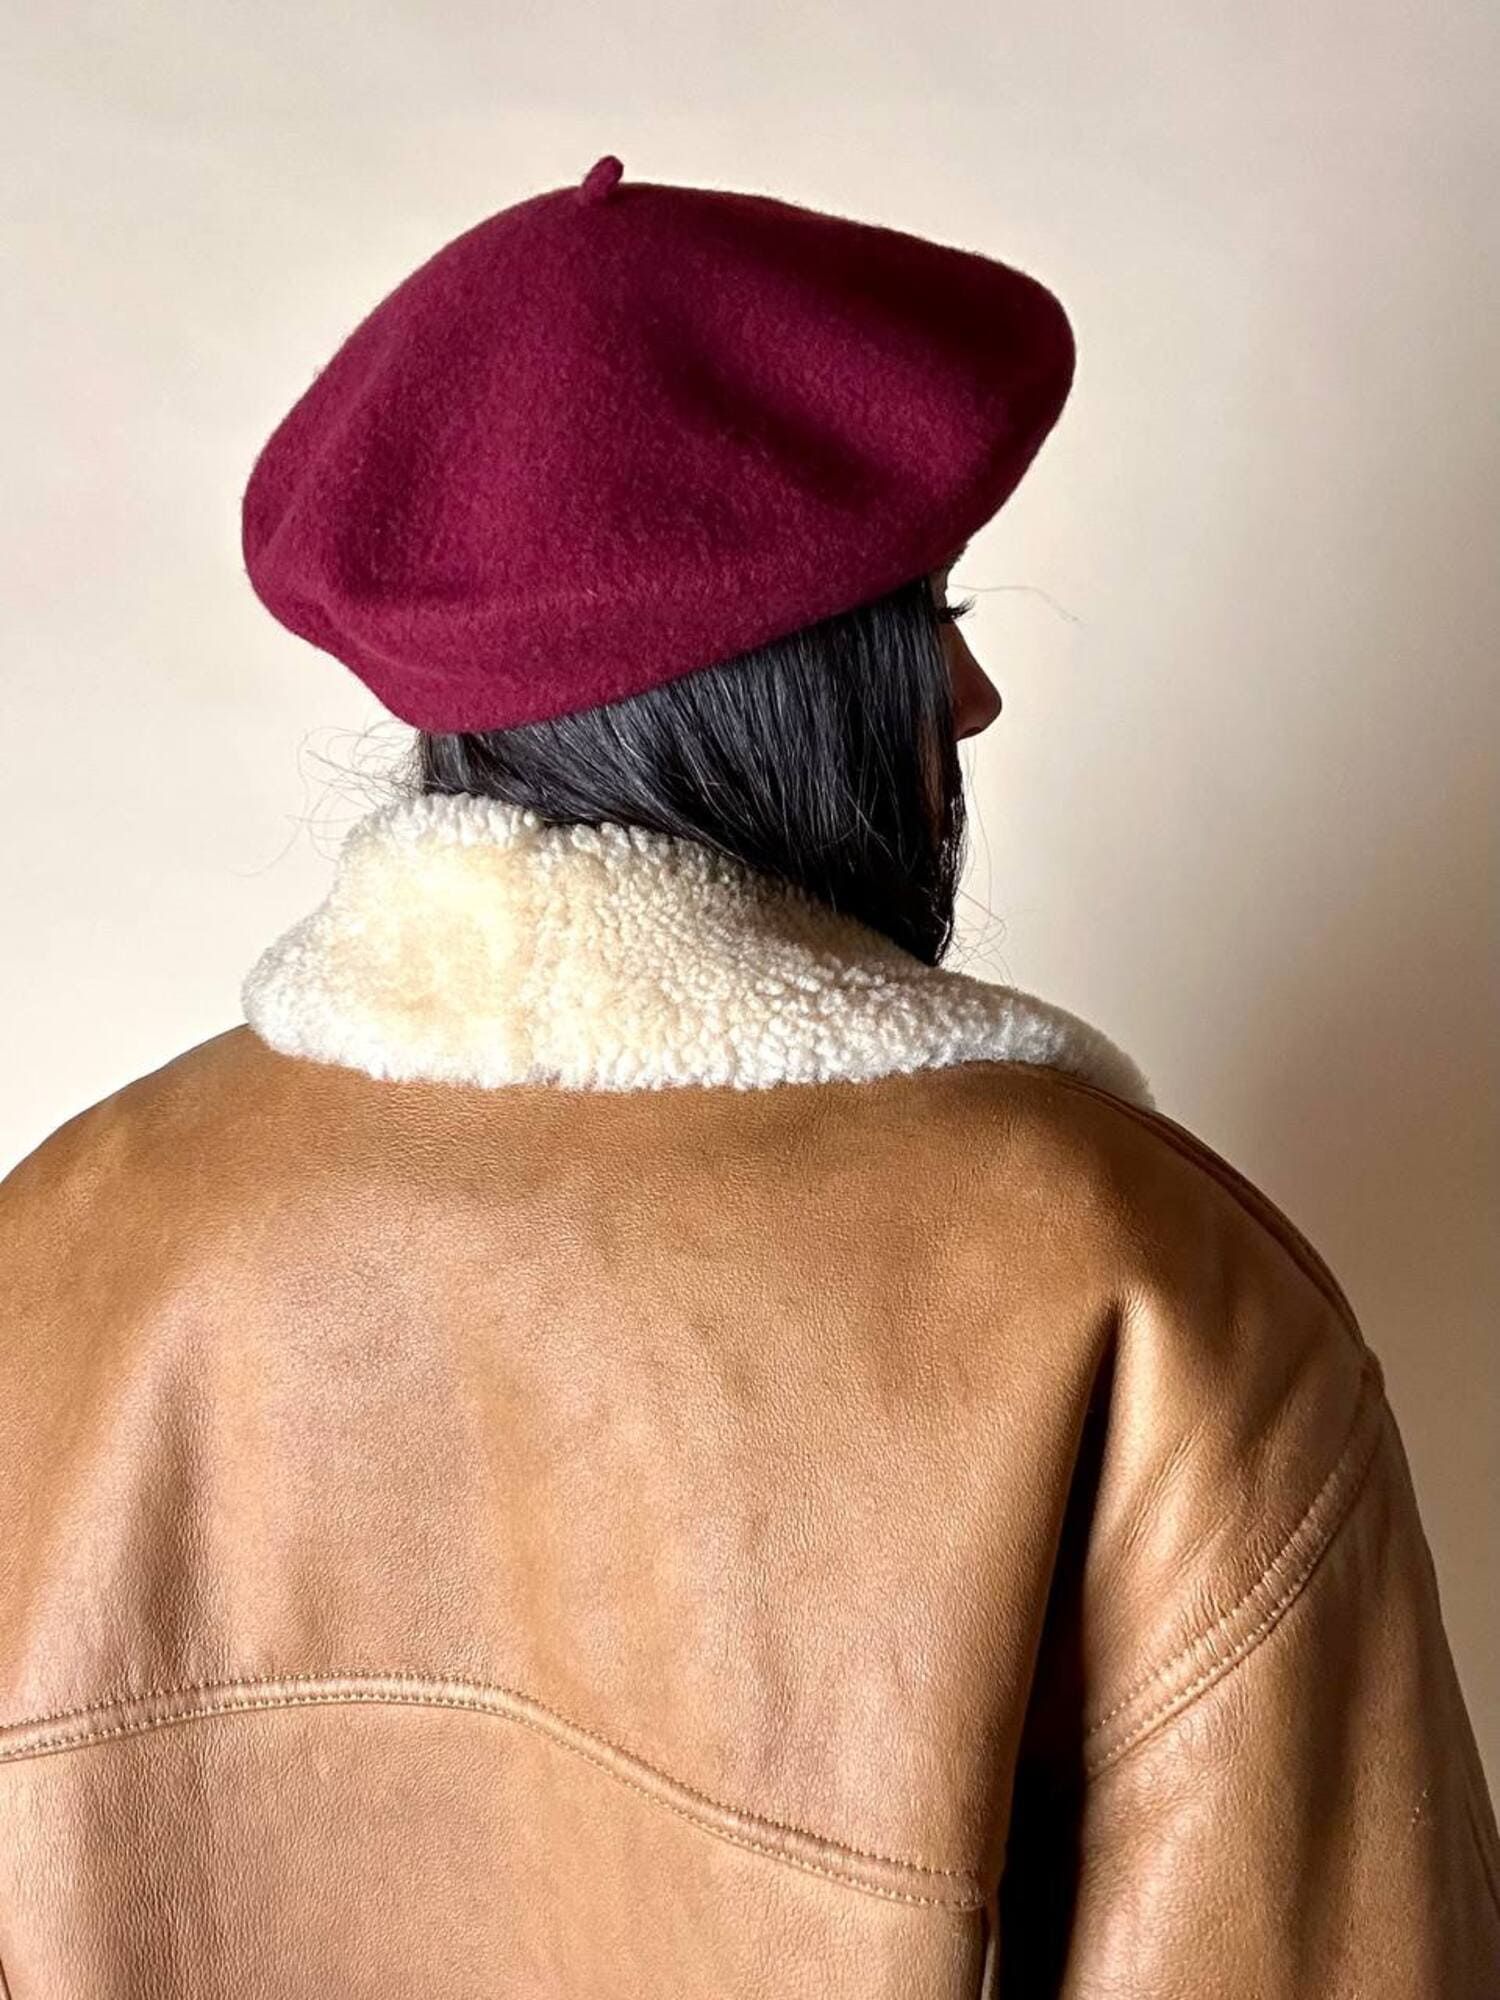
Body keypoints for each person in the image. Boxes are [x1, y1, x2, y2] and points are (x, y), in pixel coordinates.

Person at [0, 155, 1494, 1999]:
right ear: (787, 691)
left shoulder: (58, 1249)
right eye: (923, 614)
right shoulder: (1126, 1283)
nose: (968, 698)